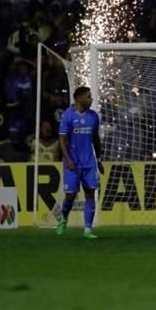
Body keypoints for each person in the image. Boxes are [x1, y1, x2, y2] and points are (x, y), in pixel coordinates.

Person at [57, 86, 104, 239]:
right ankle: (63, 218)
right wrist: (68, 160)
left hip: (89, 162)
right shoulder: (67, 116)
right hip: (73, 162)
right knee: (70, 196)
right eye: (88, 97)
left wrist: (99, 159)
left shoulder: (93, 117)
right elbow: (62, 140)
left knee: (90, 192)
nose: (91, 99)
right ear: (78, 98)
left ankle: (88, 230)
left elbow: (95, 139)